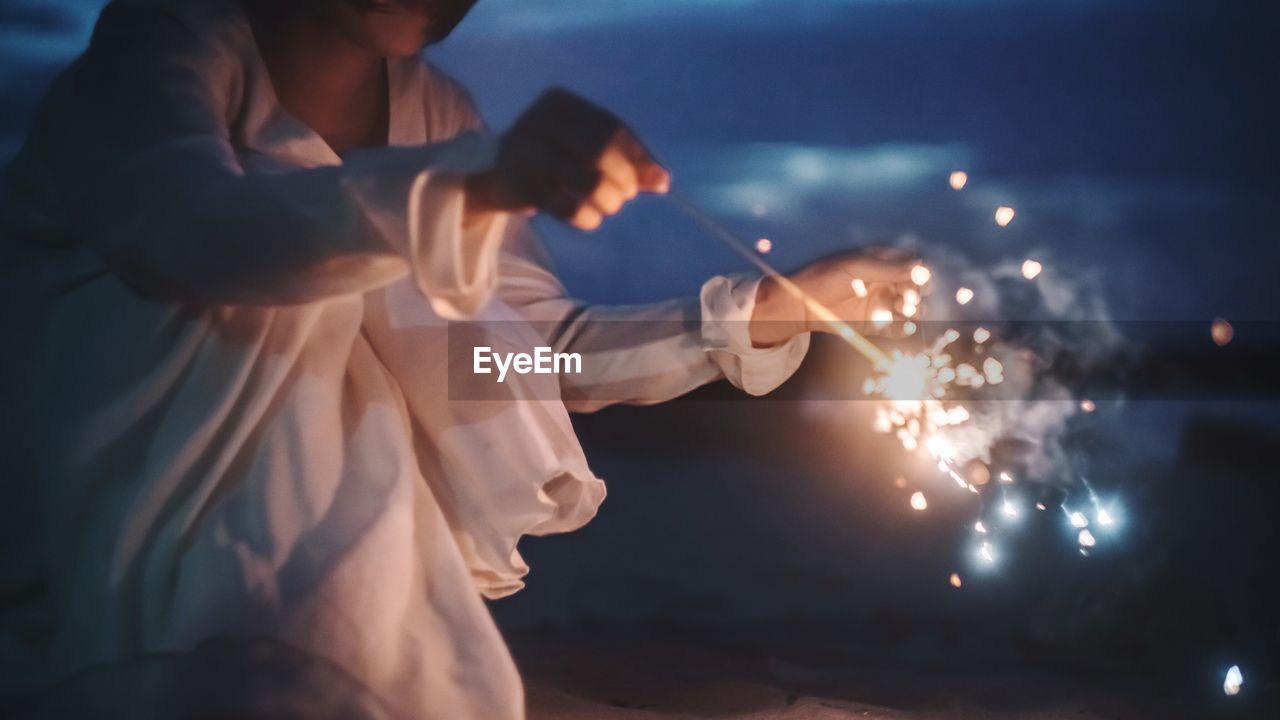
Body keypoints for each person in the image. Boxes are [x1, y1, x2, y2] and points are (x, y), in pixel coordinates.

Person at [0, 0, 919, 717]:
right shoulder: (151, 60)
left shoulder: (438, 114)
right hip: (115, 558)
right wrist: (468, 187)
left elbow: (509, 362)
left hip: (348, 588)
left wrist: (761, 314)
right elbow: (188, 240)